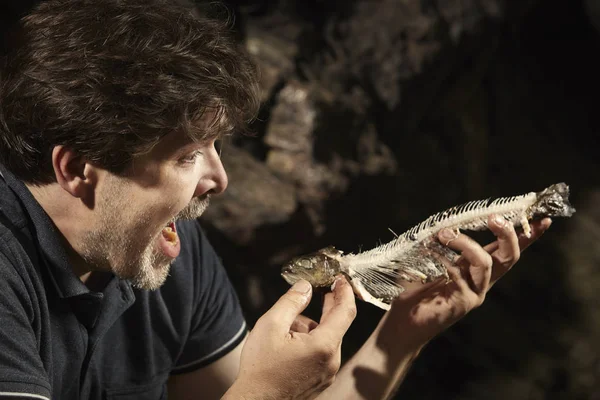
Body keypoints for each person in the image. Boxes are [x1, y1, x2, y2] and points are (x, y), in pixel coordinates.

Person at [0, 0, 552, 399]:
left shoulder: (169, 250)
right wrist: (261, 393)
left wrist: (401, 334)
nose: (219, 180)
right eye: (188, 155)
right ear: (77, 169)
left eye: (217, 148)